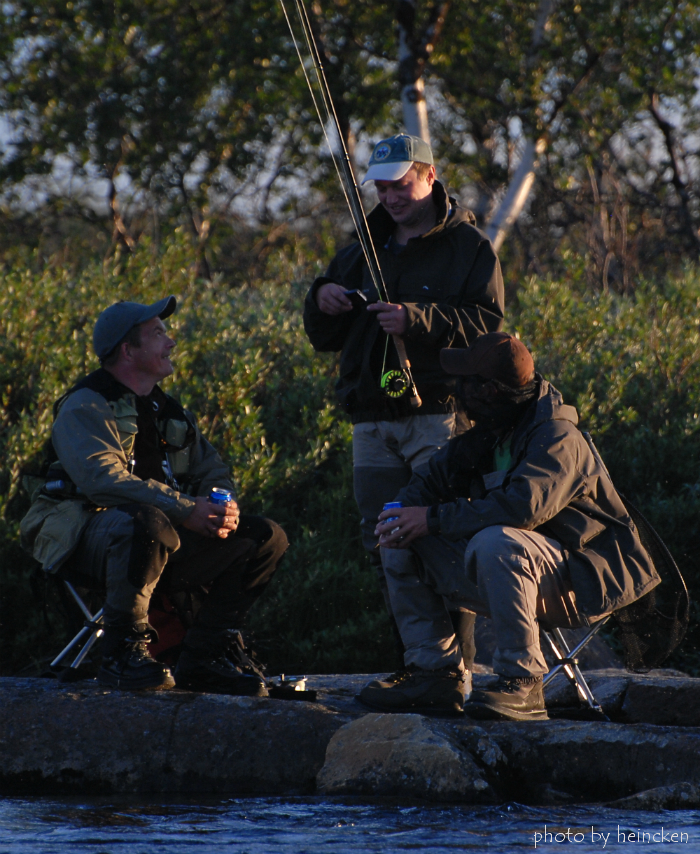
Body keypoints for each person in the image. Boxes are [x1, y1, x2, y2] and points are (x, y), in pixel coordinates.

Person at [358, 332, 660, 720]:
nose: (458, 389)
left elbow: (522, 508)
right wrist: (403, 510)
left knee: (495, 541)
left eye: (467, 381)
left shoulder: (557, 437)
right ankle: (436, 675)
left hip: (582, 579)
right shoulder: (490, 431)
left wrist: (431, 519)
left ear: (490, 390)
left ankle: (524, 682)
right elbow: (429, 481)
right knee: (400, 536)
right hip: (523, 573)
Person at [304, 133, 504, 680]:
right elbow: (323, 336)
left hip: (439, 414)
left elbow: (489, 329)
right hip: (371, 420)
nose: (389, 197)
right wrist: (321, 299)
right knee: (385, 544)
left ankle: (455, 671)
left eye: (400, 185)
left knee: (438, 538)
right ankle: (417, 667)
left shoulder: (469, 247)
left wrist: (417, 320)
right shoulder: (360, 249)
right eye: (381, 188)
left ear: (429, 175)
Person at [21, 296, 288, 694]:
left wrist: (222, 508)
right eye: (159, 334)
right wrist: (185, 509)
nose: (171, 342)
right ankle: (122, 655)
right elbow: (102, 481)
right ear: (128, 351)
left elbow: (212, 469)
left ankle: (205, 656)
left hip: (157, 537)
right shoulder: (85, 405)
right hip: (84, 538)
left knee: (264, 537)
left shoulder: (168, 410)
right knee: (146, 523)